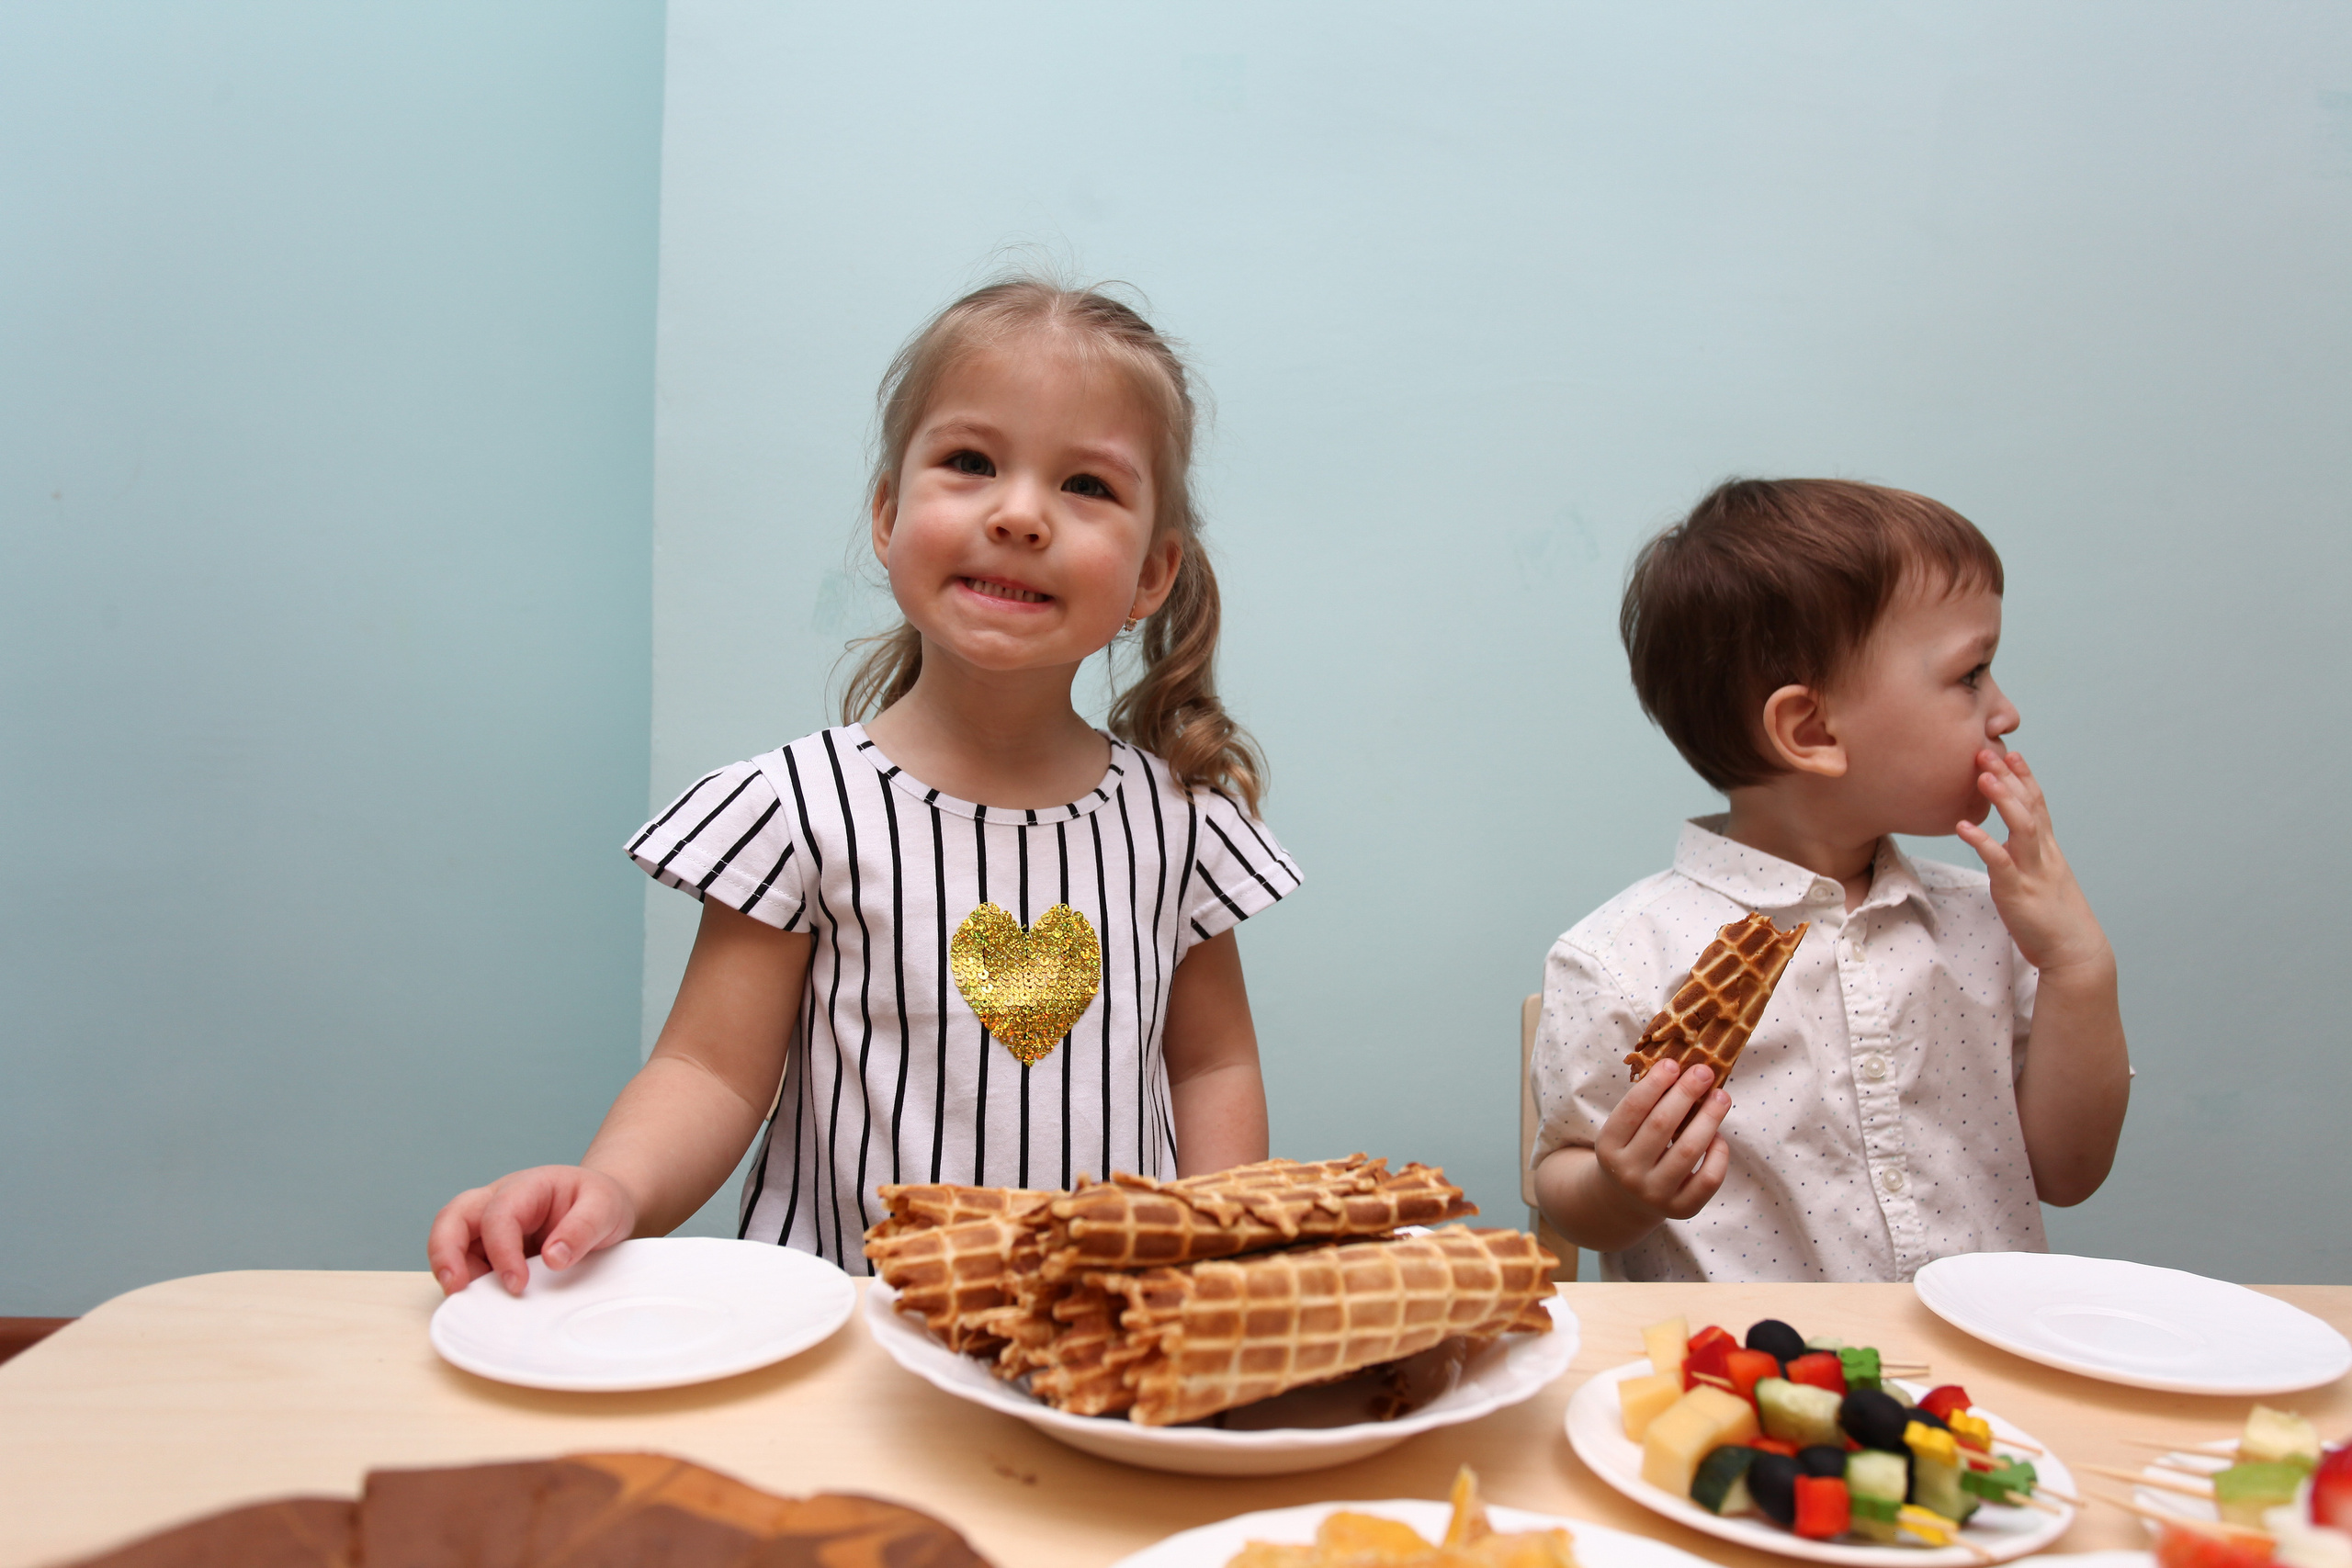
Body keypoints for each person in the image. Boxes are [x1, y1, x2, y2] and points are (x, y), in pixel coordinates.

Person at [429, 278, 1300, 1293]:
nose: (1020, 514)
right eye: (970, 463)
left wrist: (1222, 1252)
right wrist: (611, 1187)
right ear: (887, 513)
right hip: (845, 1328)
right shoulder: (797, 811)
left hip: (1102, 1330)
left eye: (1086, 485)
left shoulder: (1179, 825)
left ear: (1152, 573)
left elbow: (1211, 1067)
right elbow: (709, 1072)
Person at [1529, 478, 2130, 1281]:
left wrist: (2079, 965)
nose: (2006, 710)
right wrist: (1617, 1189)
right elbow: (1562, 1181)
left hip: (1972, 1349)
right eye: (1972, 674)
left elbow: (2069, 1171)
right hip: (1749, 1354)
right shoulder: (1618, 958)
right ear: (1812, 730)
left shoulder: (1993, 920)